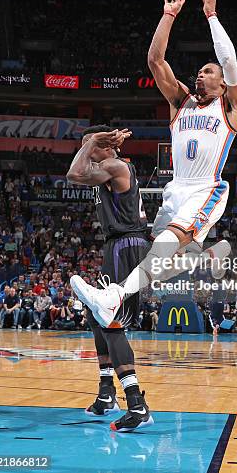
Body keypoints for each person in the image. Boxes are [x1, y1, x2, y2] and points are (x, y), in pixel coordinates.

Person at [71, 0, 237, 327]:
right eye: (200, 70)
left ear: (223, 83)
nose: (201, 73)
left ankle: (113, 297)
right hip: (175, 188)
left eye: (208, 71)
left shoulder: (232, 106)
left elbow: (228, 60)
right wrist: (169, 14)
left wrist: (211, 16)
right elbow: (154, 60)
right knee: (163, 266)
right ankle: (211, 253)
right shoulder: (180, 101)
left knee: (166, 244)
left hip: (205, 188)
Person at [66, 125, 153, 432]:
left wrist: (90, 141)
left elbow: (73, 175)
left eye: (90, 146)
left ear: (103, 146)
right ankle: (107, 394)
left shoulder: (115, 166)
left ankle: (136, 404)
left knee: (111, 320)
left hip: (127, 246)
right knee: (94, 314)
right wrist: (92, 143)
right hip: (116, 245)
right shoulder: (106, 168)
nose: (86, 152)